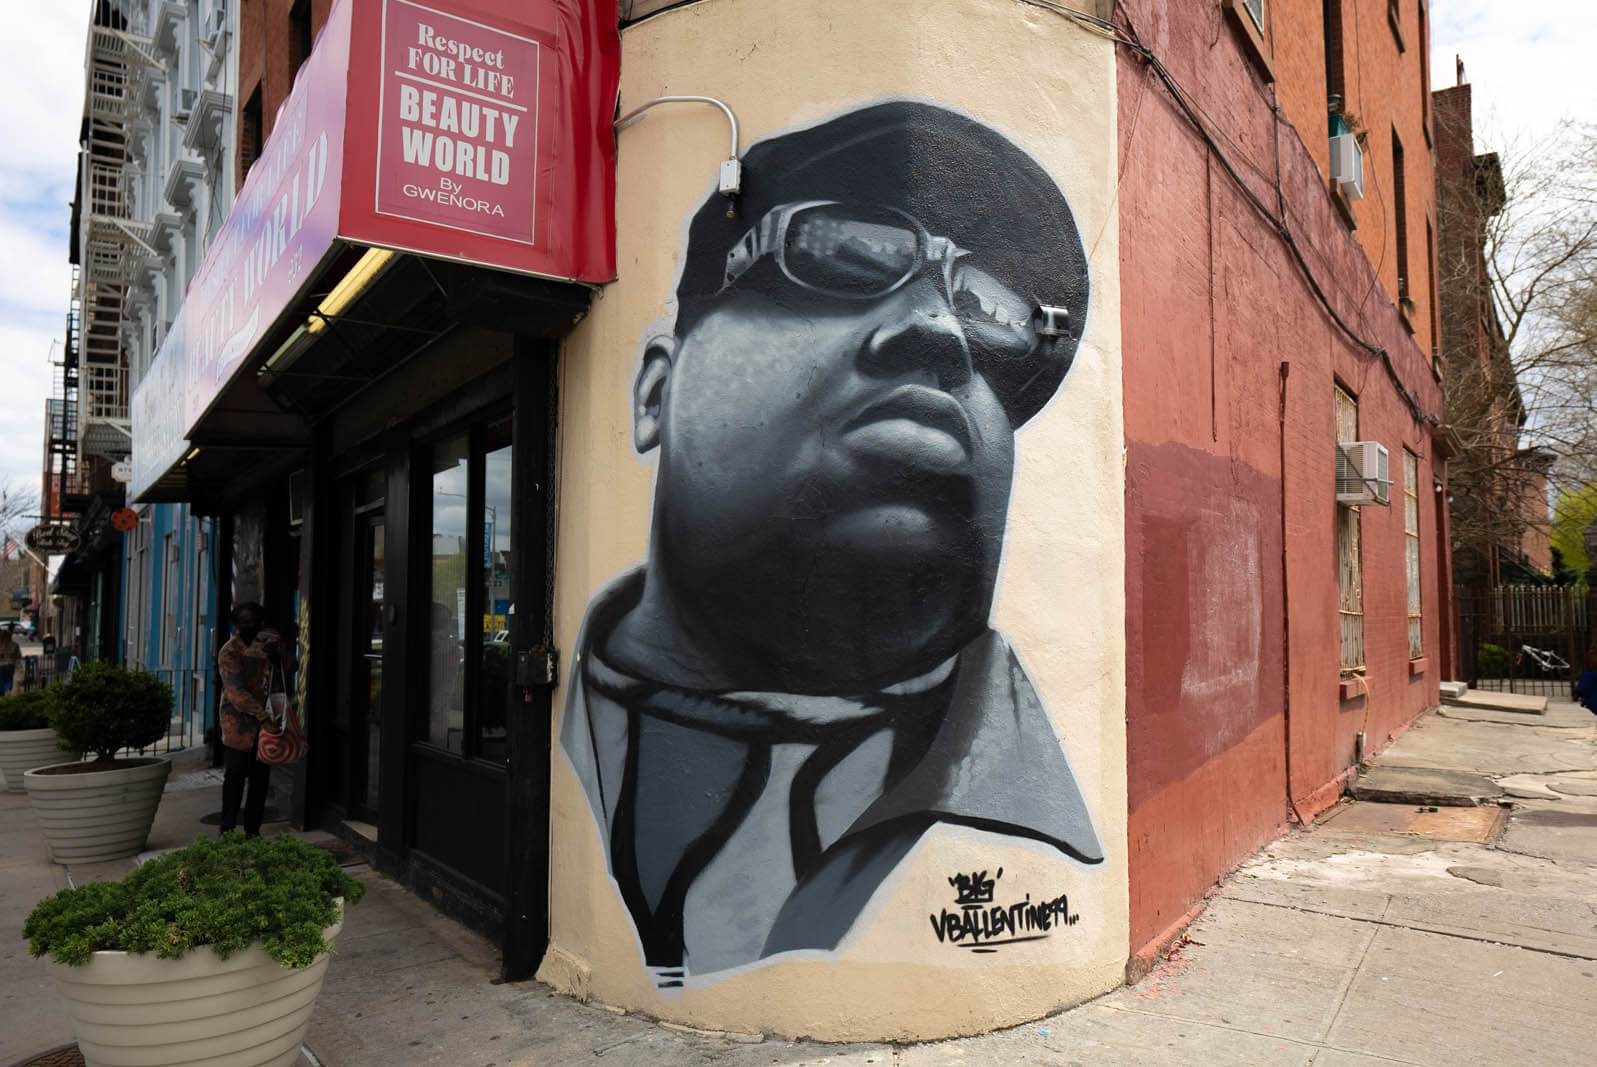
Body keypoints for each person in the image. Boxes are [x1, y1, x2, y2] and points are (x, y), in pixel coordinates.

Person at [560, 101, 1103, 979]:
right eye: (843, 250)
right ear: (655, 393)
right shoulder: (547, 751)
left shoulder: (1036, 833)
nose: (938, 328)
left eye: (991, 310)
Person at [217, 601, 281, 836]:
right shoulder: (229, 651)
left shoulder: (264, 647)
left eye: (254, 621)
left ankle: (253, 831)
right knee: (234, 778)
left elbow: (282, 675)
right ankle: (227, 831)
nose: (250, 626)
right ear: (235, 625)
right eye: (244, 622)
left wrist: (278, 653)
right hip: (238, 727)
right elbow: (236, 693)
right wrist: (264, 718)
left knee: (260, 780)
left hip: (265, 727)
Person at [0, 626, 18, 695]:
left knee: (1, 681)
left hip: (0, 666)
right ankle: (8, 691)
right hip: (10, 665)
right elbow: (18, 656)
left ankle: (2, 694)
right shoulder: (14, 645)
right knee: (9, 679)